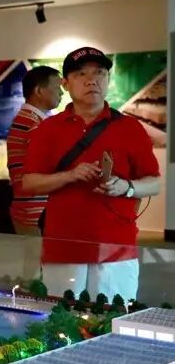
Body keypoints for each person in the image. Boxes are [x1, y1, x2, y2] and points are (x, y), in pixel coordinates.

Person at [22, 46, 160, 300]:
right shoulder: (48, 129)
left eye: (99, 73)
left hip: (116, 248)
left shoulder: (130, 128)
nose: (91, 80)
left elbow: (154, 183)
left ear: (108, 80)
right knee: (61, 317)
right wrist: (70, 175)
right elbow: (29, 183)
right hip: (64, 246)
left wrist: (127, 187)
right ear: (65, 84)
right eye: (80, 74)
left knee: (112, 317)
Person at [7, 66, 62, 236]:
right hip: (36, 213)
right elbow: (49, 165)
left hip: (30, 210)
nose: (61, 93)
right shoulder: (35, 123)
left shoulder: (29, 119)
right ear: (39, 91)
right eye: (57, 87)